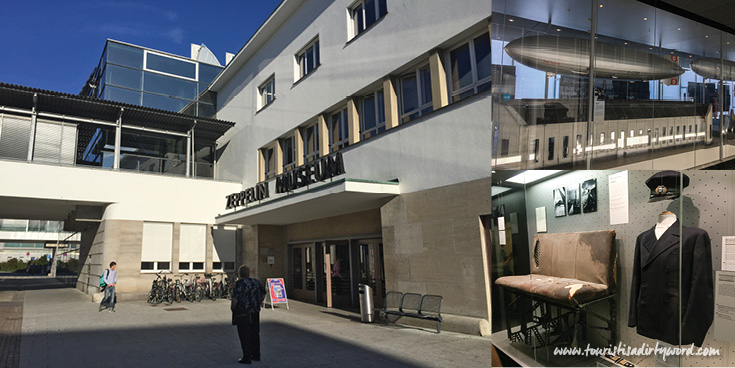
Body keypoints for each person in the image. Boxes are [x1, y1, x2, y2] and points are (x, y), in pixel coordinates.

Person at [231, 265, 265, 364]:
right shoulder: (256, 282)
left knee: (244, 335)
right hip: (255, 311)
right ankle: (256, 355)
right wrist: (258, 302)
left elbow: (234, 299)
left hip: (243, 312)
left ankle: (246, 357)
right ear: (249, 273)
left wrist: (233, 309)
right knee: (255, 333)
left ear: (240, 274)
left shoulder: (239, 284)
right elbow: (263, 293)